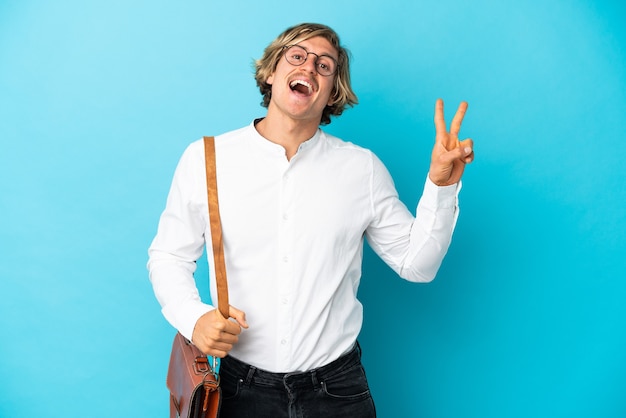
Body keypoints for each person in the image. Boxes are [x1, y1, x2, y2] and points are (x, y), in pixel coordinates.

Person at [148, 22, 474, 418]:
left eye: (324, 66)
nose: (309, 68)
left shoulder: (362, 169)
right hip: (238, 391)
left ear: (333, 91)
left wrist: (440, 188)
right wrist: (194, 317)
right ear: (271, 72)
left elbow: (417, 265)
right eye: (297, 56)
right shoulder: (206, 159)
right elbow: (168, 257)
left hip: (337, 391)